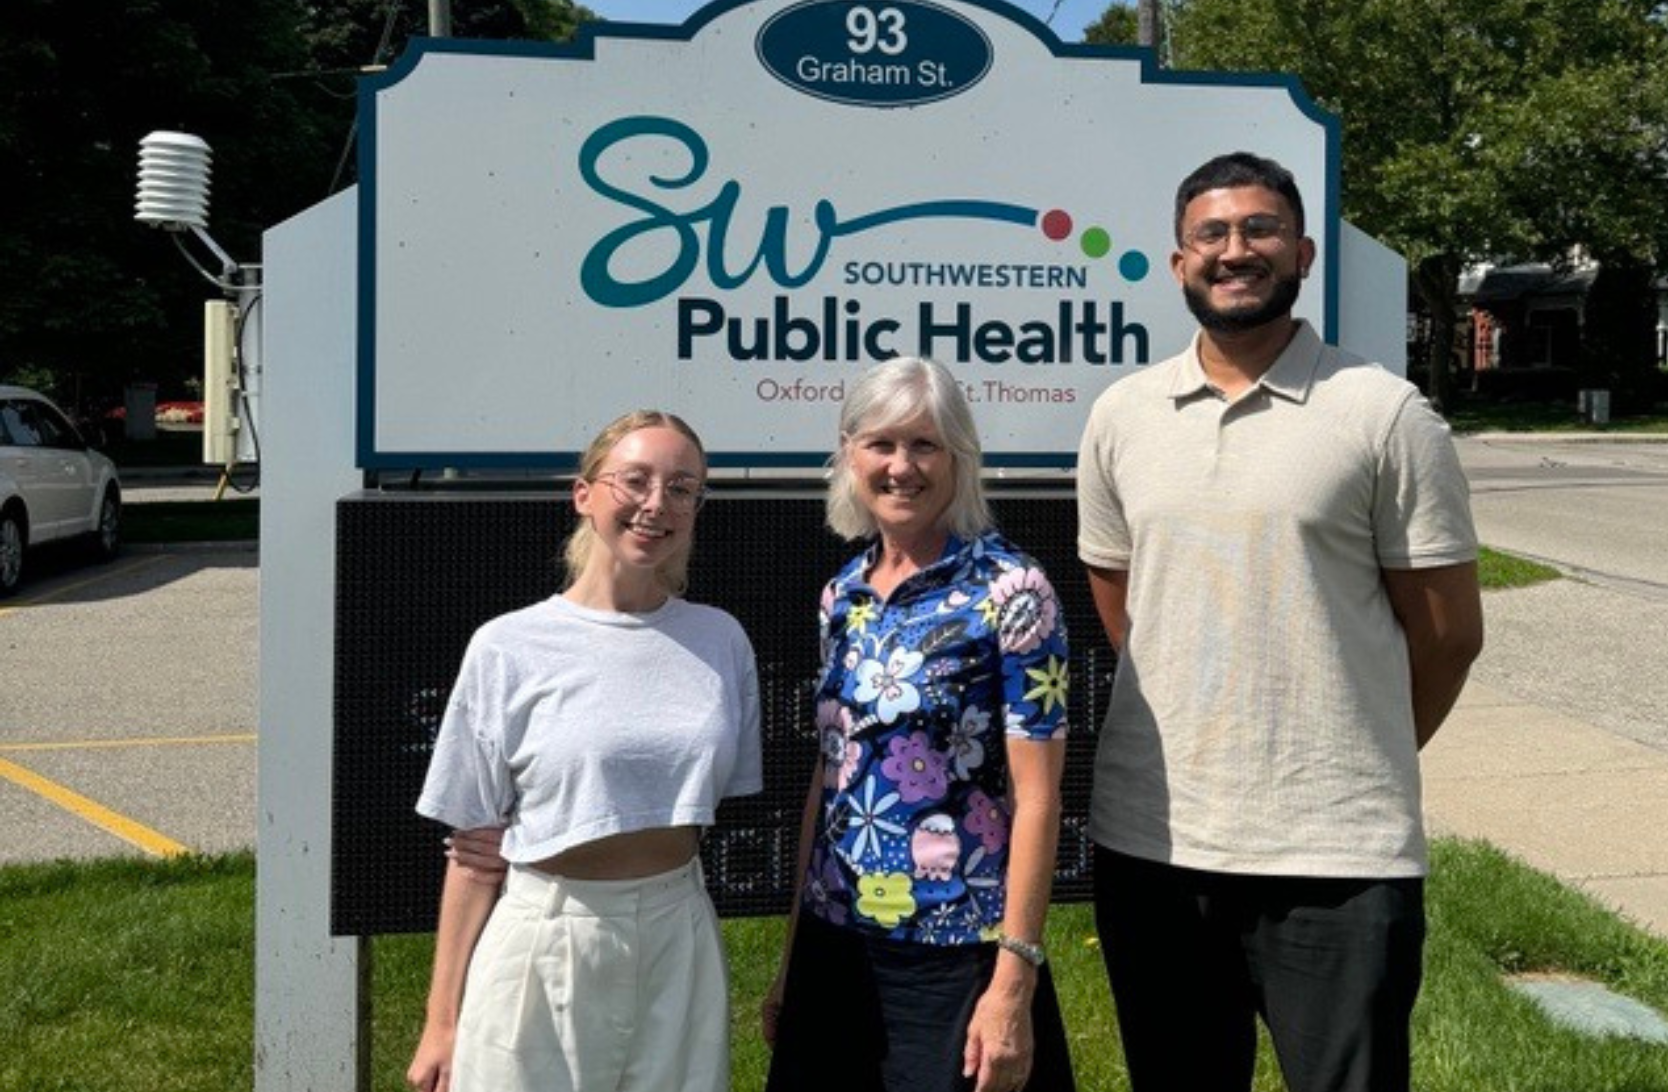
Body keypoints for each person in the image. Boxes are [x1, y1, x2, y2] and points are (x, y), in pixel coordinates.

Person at [1074, 151, 1485, 1092]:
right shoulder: (1122, 416)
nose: (1235, 250)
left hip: (1339, 851)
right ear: (1178, 264)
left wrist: (1363, 742)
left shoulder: (1384, 415)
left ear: (1300, 253)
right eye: (1211, 234)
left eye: (1259, 230)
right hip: (1157, 842)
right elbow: (1119, 595)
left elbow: (1450, 632)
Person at [407, 409, 762, 1092]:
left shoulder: (721, 642)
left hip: (677, 933)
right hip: (543, 935)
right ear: (585, 493)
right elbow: (474, 849)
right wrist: (441, 1020)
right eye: (635, 480)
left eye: (682, 487)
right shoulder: (508, 646)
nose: (657, 504)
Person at [763, 356, 1077, 1092]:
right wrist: (789, 958)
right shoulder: (842, 595)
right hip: (837, 942)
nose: (901, 466)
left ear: (959, 459)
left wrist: (1013, 983)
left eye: (925, 445)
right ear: (850, 453)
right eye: (882, 444)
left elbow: (1039, 800)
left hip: (955, 950)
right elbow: (829, 773)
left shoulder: (1013, 592)